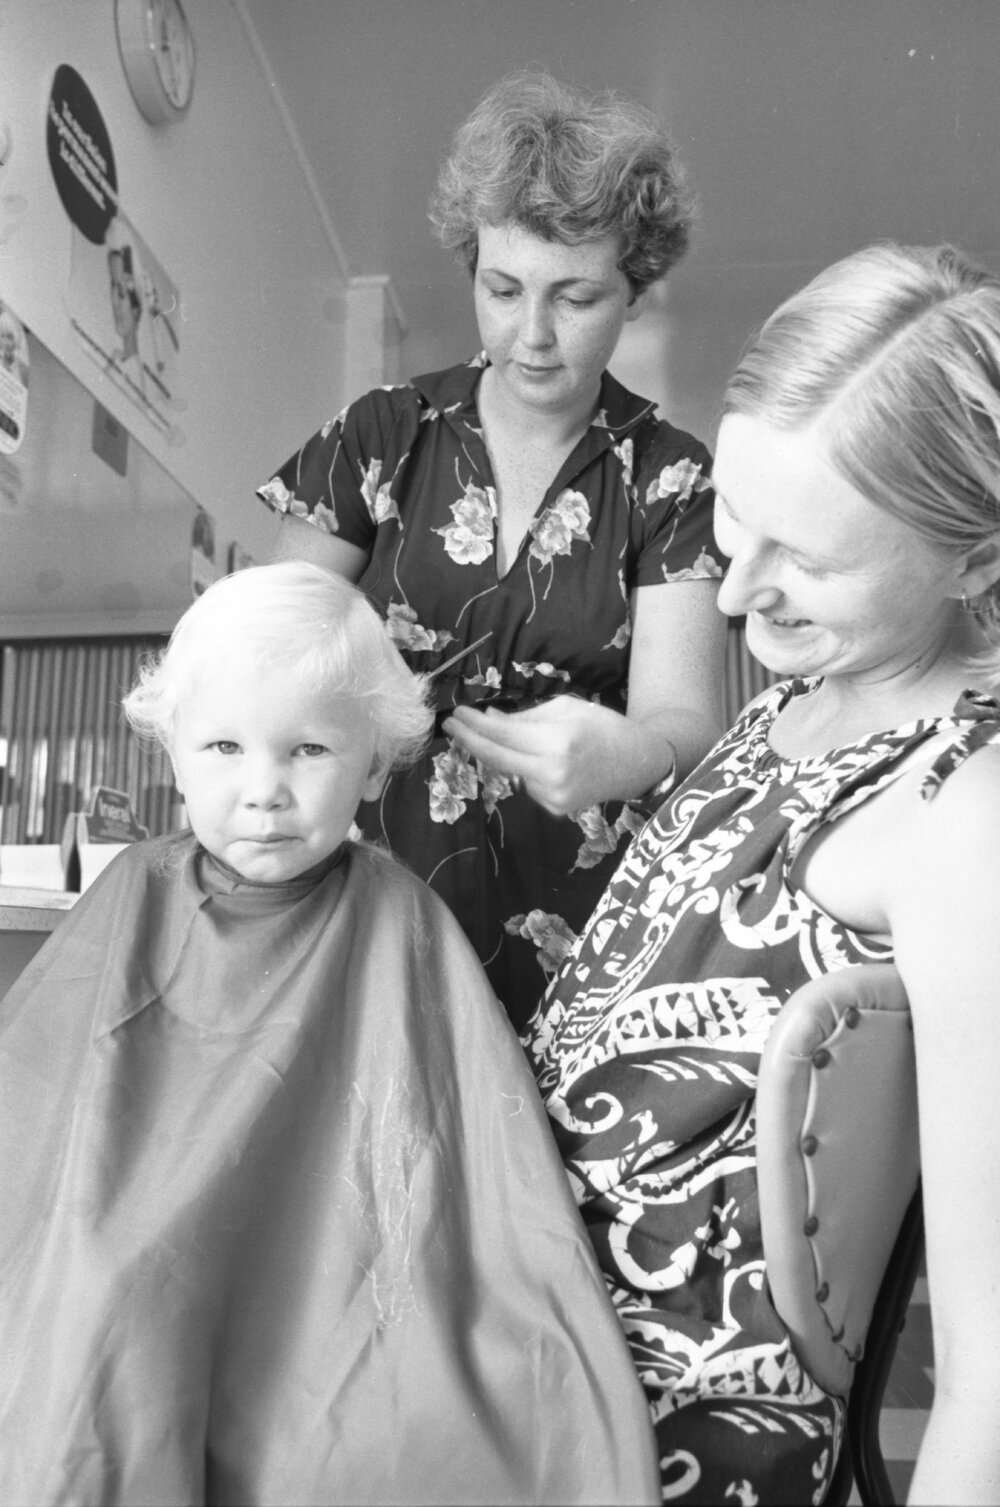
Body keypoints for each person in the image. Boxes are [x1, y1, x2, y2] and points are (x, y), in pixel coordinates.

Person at [0, 562, 661, 1506]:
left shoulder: (401, 918)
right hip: (126, 1250)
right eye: (224, 746)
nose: (264, 789)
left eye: (308, 750)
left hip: (328, 1269)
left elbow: (443, 1149)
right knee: (102, 1319)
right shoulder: (132, 892)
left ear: (374, 758)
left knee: (411, 1416)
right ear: (172, 748)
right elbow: (46, 1112)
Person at [523, 243, 1000, 1505]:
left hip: (680, 1463)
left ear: (978, 561)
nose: (736, 590)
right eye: (733, 520)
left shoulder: (965, 815)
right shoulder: (797, 694)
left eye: (807, 558)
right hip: (530, 1392)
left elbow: (987, 1383)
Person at [257, 71, 727, 1031]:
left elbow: (689, 725)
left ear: (635, 290)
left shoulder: (670, 478)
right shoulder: (382, 435)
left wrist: (630, 752)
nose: (535, 336)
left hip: (584, 932)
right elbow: (264, 654)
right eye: (503, 289)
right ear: (471, 267)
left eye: (577, 297)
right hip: (368, 897)